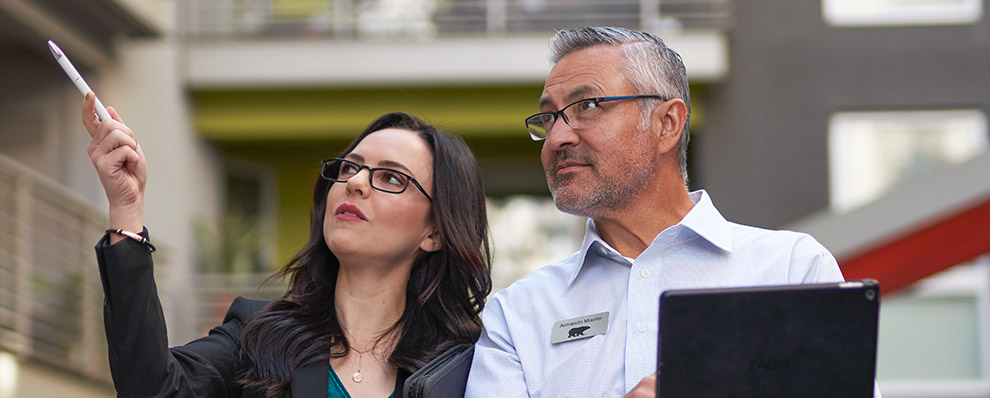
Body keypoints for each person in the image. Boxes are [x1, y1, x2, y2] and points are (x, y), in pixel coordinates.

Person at [465, 27, 880, 398]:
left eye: (587, 106)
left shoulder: (792, 270)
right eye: (548, 117)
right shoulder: (517, 315)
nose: (555, 137)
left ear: (667, 123)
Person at [83, 92, 492, 397]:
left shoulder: (468, 365)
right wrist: (126, 211)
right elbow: (152, 389)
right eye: (350, 167)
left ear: (434, 232)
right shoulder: (260, 335)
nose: (354, 183)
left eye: (390, 178)